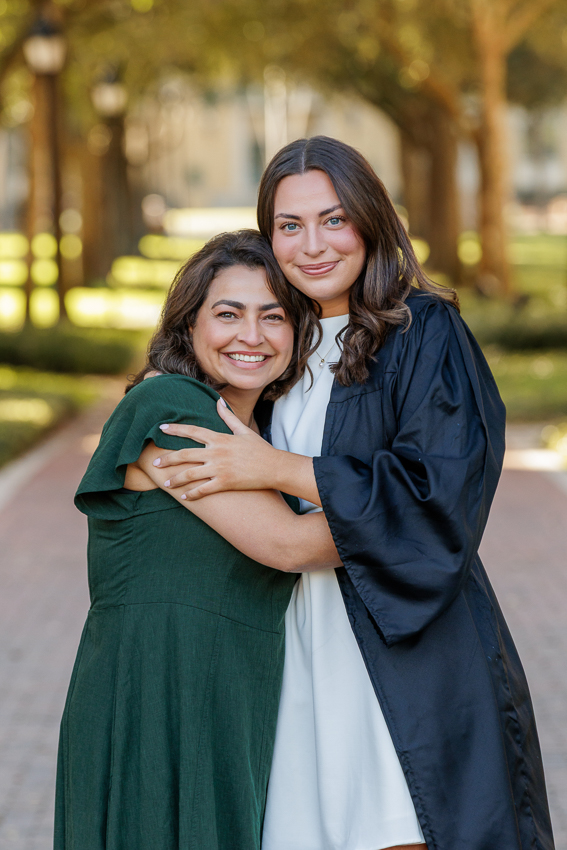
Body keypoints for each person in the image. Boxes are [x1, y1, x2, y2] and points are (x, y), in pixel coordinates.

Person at [150, 137, 555, 850]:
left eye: (333, 220)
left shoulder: (421, 330)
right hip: (291, 652)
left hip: (404, 650)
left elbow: (438, 491)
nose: (312, 245)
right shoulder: (279, 342)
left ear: (370, 221)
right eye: (289, 226)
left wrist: (277, 469)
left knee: (400, 825)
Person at [54, 230, 342, 850]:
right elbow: (290, 544)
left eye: (274, 316)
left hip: (226, 701)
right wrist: (422, 510)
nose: (252, 335)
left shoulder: (259, 436)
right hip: (156, 699)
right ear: (188, 326)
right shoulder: (171, 408)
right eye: (228, 313)